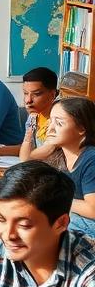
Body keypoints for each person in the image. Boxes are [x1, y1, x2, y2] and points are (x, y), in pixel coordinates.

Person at [0, 65, 59, 162]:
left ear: (53, 94)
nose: (28, 100)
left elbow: (27, 157)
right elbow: (27, 147)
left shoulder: (59, 120)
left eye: (37, 94)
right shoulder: (35, 115)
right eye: (26, 93)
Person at [41, 97, 95, 236]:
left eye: (58, 123)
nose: (50, 128)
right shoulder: (57, 155)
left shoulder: (91, 158)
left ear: (82, 129)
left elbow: (93, 210)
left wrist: (55, 198)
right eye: (50, 121)